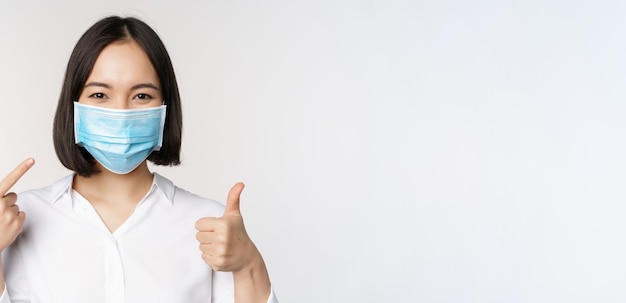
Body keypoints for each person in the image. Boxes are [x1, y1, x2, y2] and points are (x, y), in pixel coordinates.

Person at [0, 16, 278, 303]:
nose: (121, 113)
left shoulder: (209, 226)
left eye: (142, 95)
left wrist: (248, 263)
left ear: (165, 108)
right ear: (74, 106)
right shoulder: (17, 220)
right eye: (99, 94)